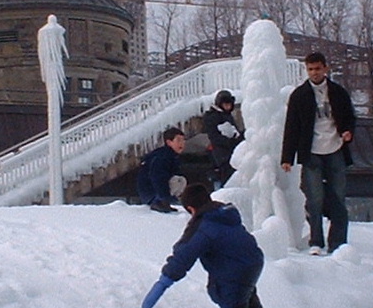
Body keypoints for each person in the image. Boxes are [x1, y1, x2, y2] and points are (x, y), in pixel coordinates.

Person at [141, 183, 264, 308]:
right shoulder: (224, 214)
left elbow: (182, 258)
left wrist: (159, 288)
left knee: (226, 295)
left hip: (233, 272)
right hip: (253, 263)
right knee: (242, 294)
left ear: (191, 209)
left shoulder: (204, 225)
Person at [281, 52, 356, 255]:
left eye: (318, 68)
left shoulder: (338, 92)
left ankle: (338, 242)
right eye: (310, 69)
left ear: (325, 69)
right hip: (311, 151)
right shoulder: (299, 95)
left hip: (336, 148)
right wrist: (287, 157)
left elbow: (350, 116)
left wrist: (348, 131)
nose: (314, 73)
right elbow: (291, 127)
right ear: (307, 70)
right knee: (314, 198)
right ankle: (316, 241)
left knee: (338, 197)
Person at [137, 127, 187, 213]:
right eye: (178, 140)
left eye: (183, 140)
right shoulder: (162, 157)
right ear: (169, 142)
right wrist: (164, 196)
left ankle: (163, 202)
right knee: (178, 181)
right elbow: (157, 177)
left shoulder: (171, 156)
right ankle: (159, 202)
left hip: (150, 192)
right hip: (149, 193)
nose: (182, 143)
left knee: (180, 180)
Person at [203, 90, 243, 188]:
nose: (228, 107)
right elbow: (214, 136)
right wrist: (230, 141)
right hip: (222, 154)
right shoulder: (213, 116)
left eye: (229, 104)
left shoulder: (226, 115)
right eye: (225, 104)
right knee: (226, 177)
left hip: (229, 151)